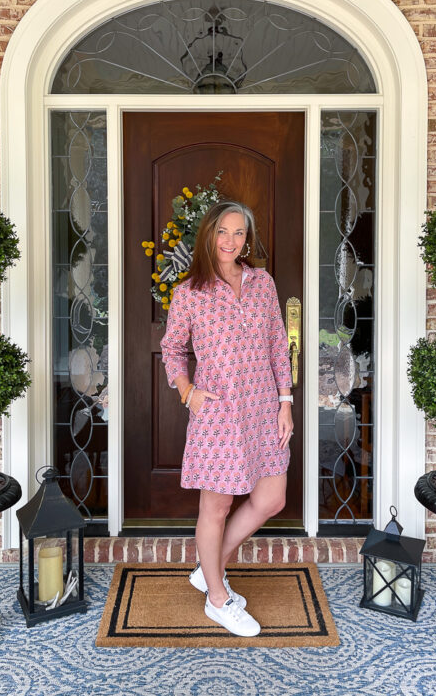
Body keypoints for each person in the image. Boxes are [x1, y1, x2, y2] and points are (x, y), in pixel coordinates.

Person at [160, 200, 294, 637]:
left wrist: (286, 401)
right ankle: (218, 598)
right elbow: (172, 349)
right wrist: (188, 393)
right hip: (218, 413)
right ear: (209, 236)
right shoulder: (190, 292)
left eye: (239, 233)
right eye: (223, 232)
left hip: (263, 410)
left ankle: (208, 566)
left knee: (271, 497)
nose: (230, 241)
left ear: (247, 239)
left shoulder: (263, 284)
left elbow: (278, 345)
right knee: (215, 507)